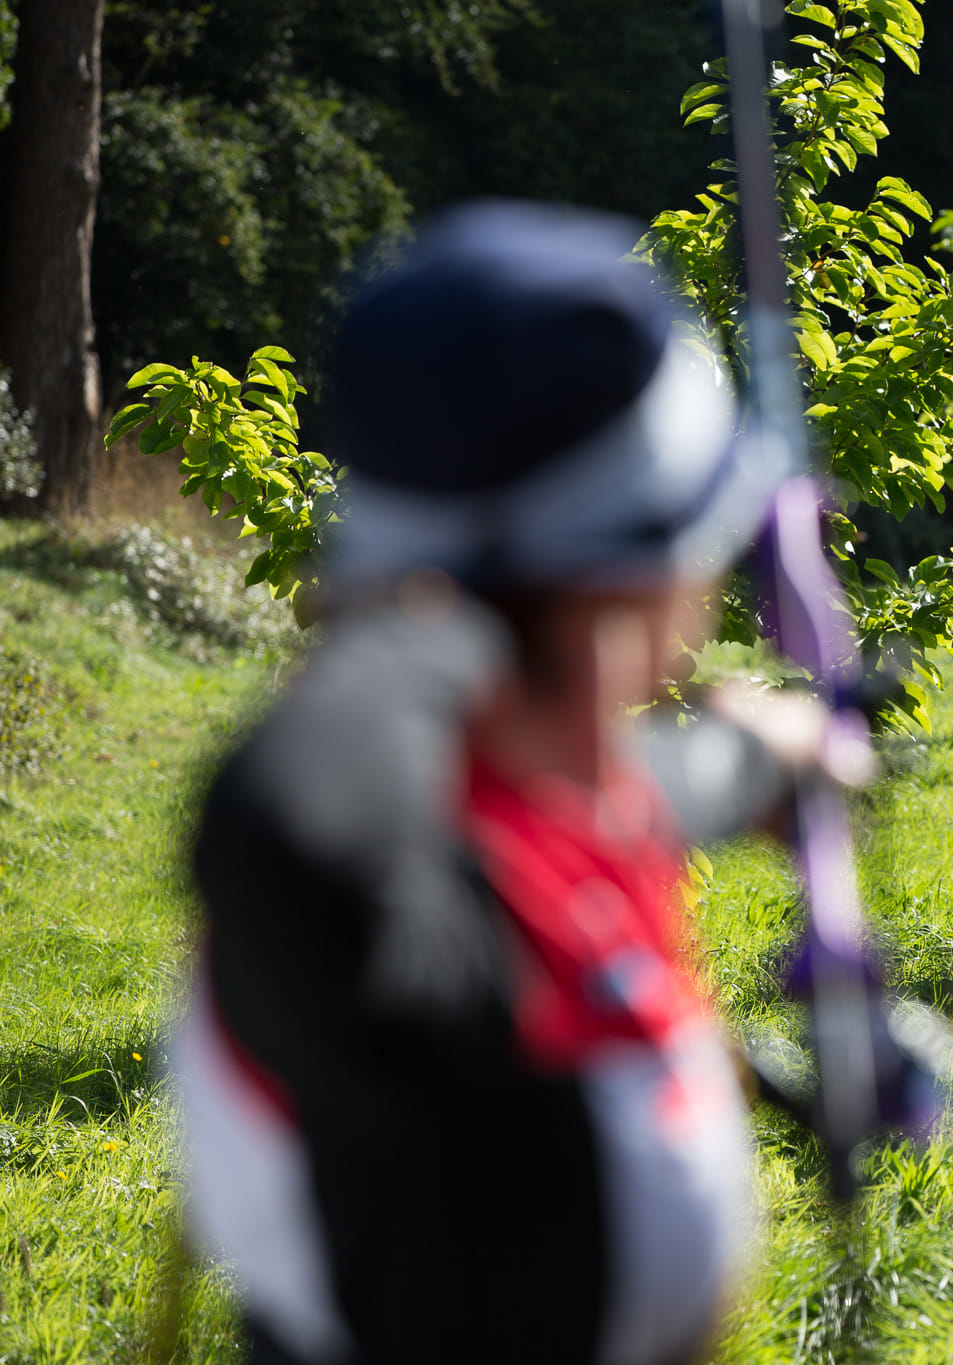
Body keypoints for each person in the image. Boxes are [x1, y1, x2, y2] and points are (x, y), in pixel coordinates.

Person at [169, 201, 842, 1365]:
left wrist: (758, 758)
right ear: (649, 559)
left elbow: (616, 811)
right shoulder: (392, 937)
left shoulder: (517, 811)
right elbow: (284, 822)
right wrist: (454, 607)